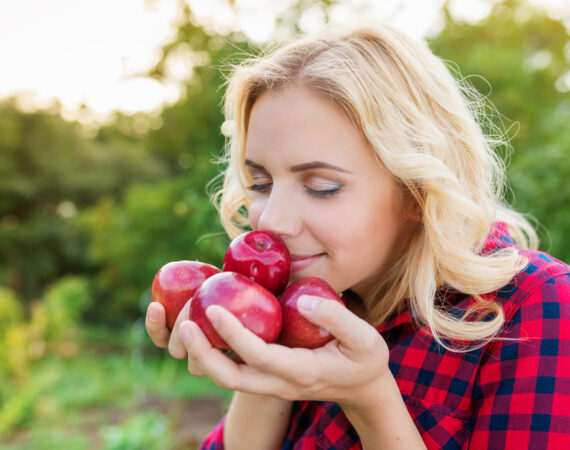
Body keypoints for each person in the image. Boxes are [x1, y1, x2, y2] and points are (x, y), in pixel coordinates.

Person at [145, 24, 570, 449]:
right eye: (259, 182)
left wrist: (369, 398)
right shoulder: (306, 302)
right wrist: (258, 359)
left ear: (415, 194)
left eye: (321, 187)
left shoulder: (534, 308)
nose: (271, 221)